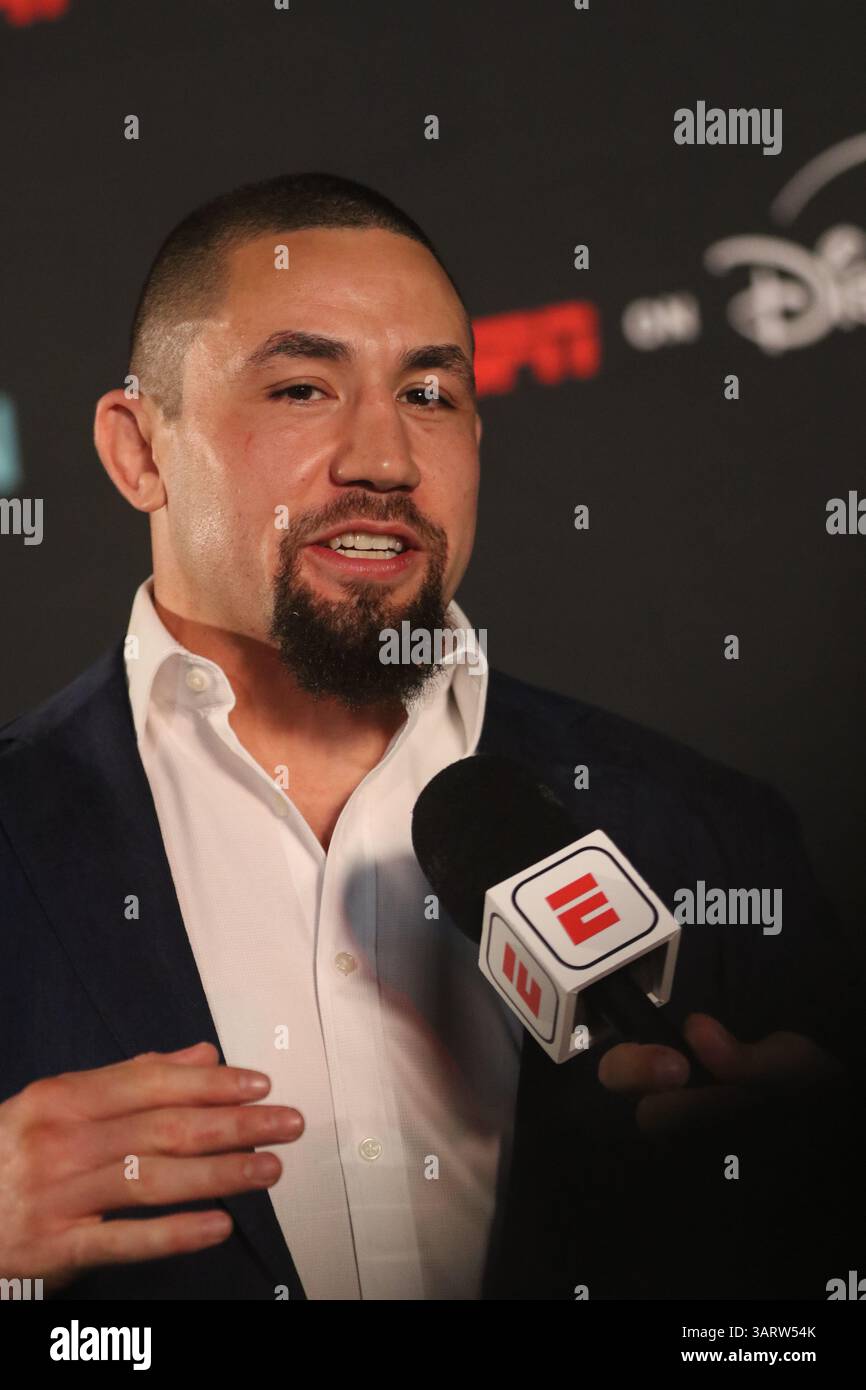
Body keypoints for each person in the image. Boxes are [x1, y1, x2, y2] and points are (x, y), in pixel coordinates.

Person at [0, 173, 861, 1302]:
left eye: (427, 393)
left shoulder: (712, 836)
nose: (385, 459)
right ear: (139, 450)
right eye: (303, 387)